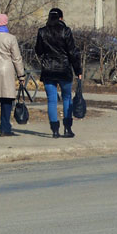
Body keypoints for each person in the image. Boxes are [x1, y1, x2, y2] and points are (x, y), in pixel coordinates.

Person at [34, 7, 82, 138]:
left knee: (52, 100)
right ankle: (68, 129)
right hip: (64, 69)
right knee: (67, 98)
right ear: (61, 18)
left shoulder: (42, 32)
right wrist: (78, 70)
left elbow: (38, 50)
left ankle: (55, 130)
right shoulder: (66, 31)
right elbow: (72, 52)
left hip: (48, 69)